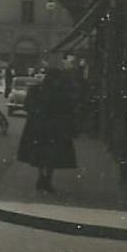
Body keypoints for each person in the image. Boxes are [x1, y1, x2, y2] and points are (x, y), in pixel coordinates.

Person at [17, 57, 79, 193]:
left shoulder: (36, 89)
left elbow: (27, 106)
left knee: (40, 155)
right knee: (52, 156)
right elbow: (69, 110)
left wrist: (36, 115)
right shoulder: (62, 93)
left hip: (37, 128)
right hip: (55, 129)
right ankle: (46, 180)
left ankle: (42, 178)